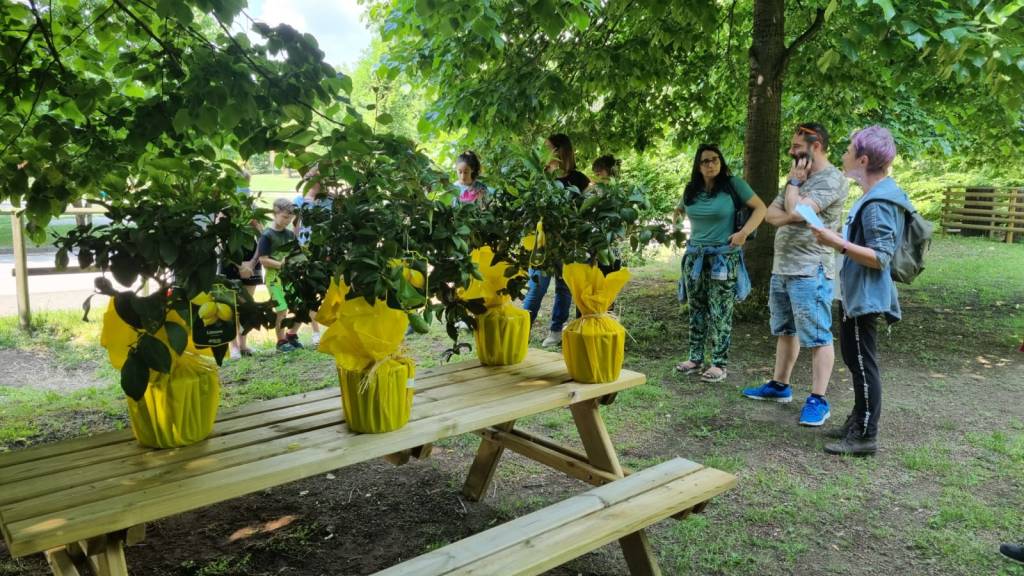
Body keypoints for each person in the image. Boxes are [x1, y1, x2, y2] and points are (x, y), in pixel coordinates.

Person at [810, 125, 913, 456]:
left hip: (865, 296)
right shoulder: (874, 197)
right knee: (855, 360)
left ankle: (866, 434)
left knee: (862, 363)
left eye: (849, 150)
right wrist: (840, 238)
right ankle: (858, 421)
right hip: (857, 292)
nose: (843, 154)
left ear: (863, 159)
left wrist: (837, 243)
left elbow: (880, 257)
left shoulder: (879, 203)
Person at [742, 123, 849, 427]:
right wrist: (794, 196)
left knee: (817, 335)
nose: (791, 152)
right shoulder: (798, 178)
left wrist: (793, 193)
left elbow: (798, 212)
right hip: (783, 267)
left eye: (796, 147)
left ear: (816, 146)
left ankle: (818, 399)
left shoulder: (832, 180)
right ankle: (780, 386)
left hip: (810, 269)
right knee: (785, 329)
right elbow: (773, 216)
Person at [674, 144, 767, 382]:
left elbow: (761, 208)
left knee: (721, 311)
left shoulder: (733, 185)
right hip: (695, 258)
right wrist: (675, 228)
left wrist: (744, 232)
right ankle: (695, 358)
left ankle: (719, 364)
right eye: (705, 161)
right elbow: (679, 211)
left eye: (715, 159)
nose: (711, 164)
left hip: (723, 259)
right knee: (696, 310)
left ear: (721, 161)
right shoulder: (691, 189)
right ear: (698, 165)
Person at [522, 134, 590, 347]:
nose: (544, 152)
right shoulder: (541, 176)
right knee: (536, 287)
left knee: (564, 287)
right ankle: (522, 329)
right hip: (543, 242)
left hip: (568, 242)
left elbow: (588, 207)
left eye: (548, 148)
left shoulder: (579, 179)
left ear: (560, 151)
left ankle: (555, 330)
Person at [222, 170, 263, 360]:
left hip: (251, 262)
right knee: (231, 306)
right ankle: (234, 346)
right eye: (239, 182)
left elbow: (263, 239)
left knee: (247, 305)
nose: (243, 187)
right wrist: (239, 265)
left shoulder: (253, 208)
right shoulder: (224, 210)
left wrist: (252, 263)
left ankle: (244, 344)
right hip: (231, 263)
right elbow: (220, 244)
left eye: (246, 182)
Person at [291, 166, 331, 347]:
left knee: (330, 289)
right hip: (306, 250)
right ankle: (315, 332)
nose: (314, 183)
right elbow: (296, 228)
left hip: (326, 250)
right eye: (310, 179)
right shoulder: (299, 201)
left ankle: (334, 328)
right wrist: (297, 250)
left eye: (317, 179)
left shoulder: (330, 200)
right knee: (309, 291)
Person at [258, 197, 300, 353]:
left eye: (290, 218)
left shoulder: (290, 234)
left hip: (290, 277)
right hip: (273, 278)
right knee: (281, 309)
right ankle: (281, 342)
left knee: (299, 306)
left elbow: (295, 253)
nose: (287, 220)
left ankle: (291, 336)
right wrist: (281, 264)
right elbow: (263, 260)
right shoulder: (267, 235)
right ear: (275, 214)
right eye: (284, 217)